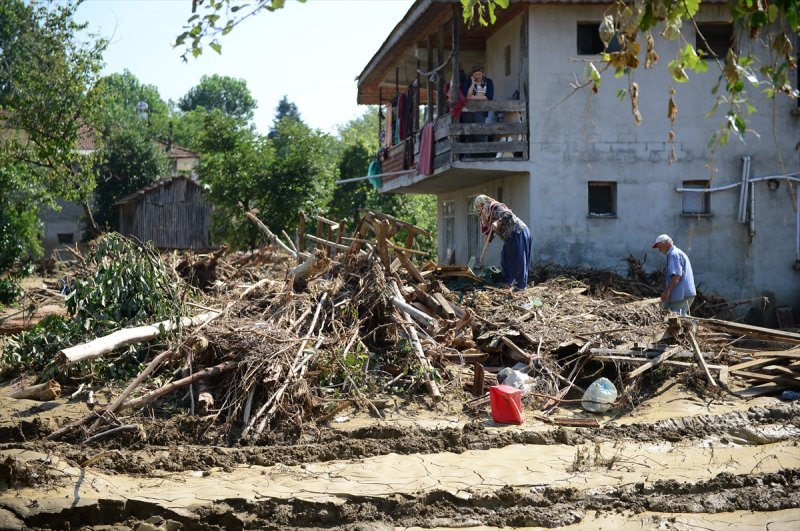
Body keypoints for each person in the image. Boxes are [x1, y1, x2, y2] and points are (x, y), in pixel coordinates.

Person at [474, 194, 532, 290]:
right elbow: (492, 229)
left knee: (518, 259)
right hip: (509, 236)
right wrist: (488, 239)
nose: (479, 211)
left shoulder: (495, 207)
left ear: (482, 205)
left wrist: (498, 222)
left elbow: (508, 214)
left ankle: (521, 286)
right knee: (505, 258)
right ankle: (507, 283)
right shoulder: (488, 215)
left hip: (518, 232)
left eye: (479, 208)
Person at [651, 234, 696, 315]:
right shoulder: (675, 253)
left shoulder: (674, 254)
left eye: (658, 246)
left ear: (664, 243)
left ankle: (696, 326)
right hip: (684, 294)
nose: (659, 250)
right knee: (680, 316)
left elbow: (677, 276)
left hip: (682, 295)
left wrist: (666, 291)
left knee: (675, 315)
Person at [461, 63, 494, 144]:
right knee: (469, 132)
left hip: (481, 111)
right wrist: (473, 84)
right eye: (476, 74)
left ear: (483, 73)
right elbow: (466, 95)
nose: (478, 76)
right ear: (473, 74)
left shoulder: (488, 82)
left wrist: (472, 97)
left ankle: (480, 153)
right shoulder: (469, 81)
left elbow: (489, 96)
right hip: (468, 111)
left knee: (479, 132)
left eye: (479, 74)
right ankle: (471, 154)